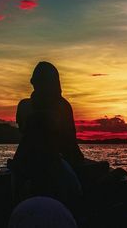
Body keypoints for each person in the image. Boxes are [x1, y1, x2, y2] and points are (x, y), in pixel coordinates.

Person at [10, 61, 84, 208]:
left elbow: (23, 134)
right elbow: (70, 144)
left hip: (27, 162)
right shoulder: (62, 106)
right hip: (47, 162)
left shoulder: (25, 106)